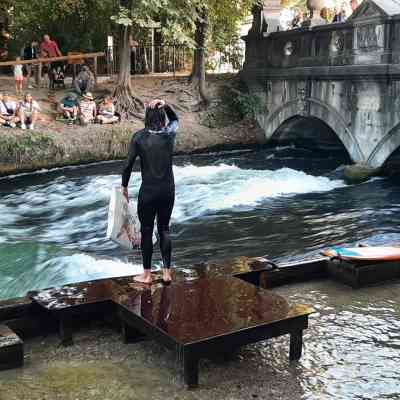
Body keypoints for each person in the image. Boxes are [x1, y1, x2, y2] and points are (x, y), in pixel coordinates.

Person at [122, 99, 179, 284]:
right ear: (162, 116)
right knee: (164, 229)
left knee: (146, 231)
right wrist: (166, 104)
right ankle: (166, 273)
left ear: (146, 117)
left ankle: (146, 275)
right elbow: (176, 119)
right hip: (168, 190)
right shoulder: (169, 134)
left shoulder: (139, 137)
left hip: (148, 192)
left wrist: (124, 187)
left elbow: (127, 165)